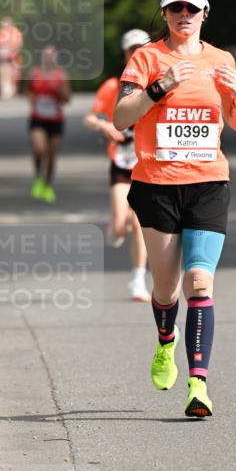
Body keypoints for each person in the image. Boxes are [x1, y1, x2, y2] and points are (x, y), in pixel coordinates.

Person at [113, 0, 236, 417]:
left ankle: (199, 386)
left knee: (200, 284)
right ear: (165, 14)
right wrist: (160, 86)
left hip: (209, 182)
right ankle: (165, 341)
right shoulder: (147, 58)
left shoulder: (221, 59)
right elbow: (120, 117)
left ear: (205, 13)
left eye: (193, 8)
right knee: (167, 287)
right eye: (177, 8)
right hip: (156, 184)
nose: (184, 14)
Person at [84, 29, 151, 302]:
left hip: (146, 163)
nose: (136, 53)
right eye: (131, 49)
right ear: (124, 54)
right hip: (121, 162)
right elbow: (89, 117)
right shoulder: (114, 85)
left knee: (139, 224)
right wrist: (104, 125)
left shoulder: (155, 83)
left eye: (141, 48)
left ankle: (138, 279)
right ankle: (115, 227)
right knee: (121, 224)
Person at [25, 45, 71, 203]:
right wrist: (32, 101)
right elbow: (28, 90)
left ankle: (48, 185)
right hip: (38, 118)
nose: (49, 58)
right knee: (39, 149)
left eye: (52, 56)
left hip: (55, 120)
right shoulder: (35, 73)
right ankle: (38, 177)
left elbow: (67, 98)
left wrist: (57, 90)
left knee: (51, 155)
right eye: (46, 56)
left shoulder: (61, 75)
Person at [0, 16, 23, 100]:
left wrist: (14, 53)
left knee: (14, 75)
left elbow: (19, 44)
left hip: (14, 57)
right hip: (3, 58)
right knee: (4, 73)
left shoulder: (15, 32)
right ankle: (5, 92)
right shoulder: (0, 33)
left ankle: (12, 91)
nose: (4, 25)